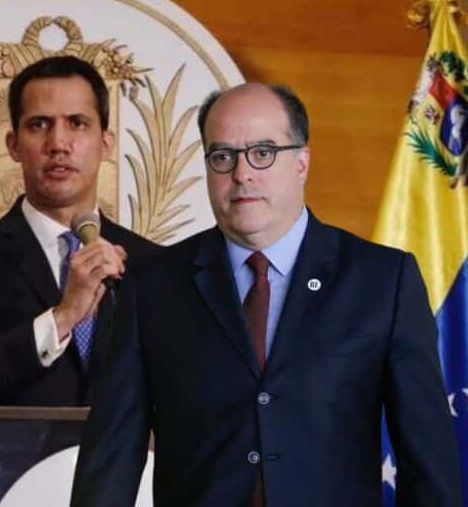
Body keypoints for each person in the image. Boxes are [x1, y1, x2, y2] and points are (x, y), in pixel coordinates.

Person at [71, 83, 462, 506]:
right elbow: (111, 457)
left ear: (302, 162)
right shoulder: (153, 285)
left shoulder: (383, 280)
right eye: (223, 157)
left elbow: (428, 460)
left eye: (263, 153)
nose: (242, 174)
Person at [0, 55, 161, 406]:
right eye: (39, 125)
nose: (58, 143)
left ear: (105, 144)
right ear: (14, 145)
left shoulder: (153, 265)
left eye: (77, 123)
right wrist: (62, 318)